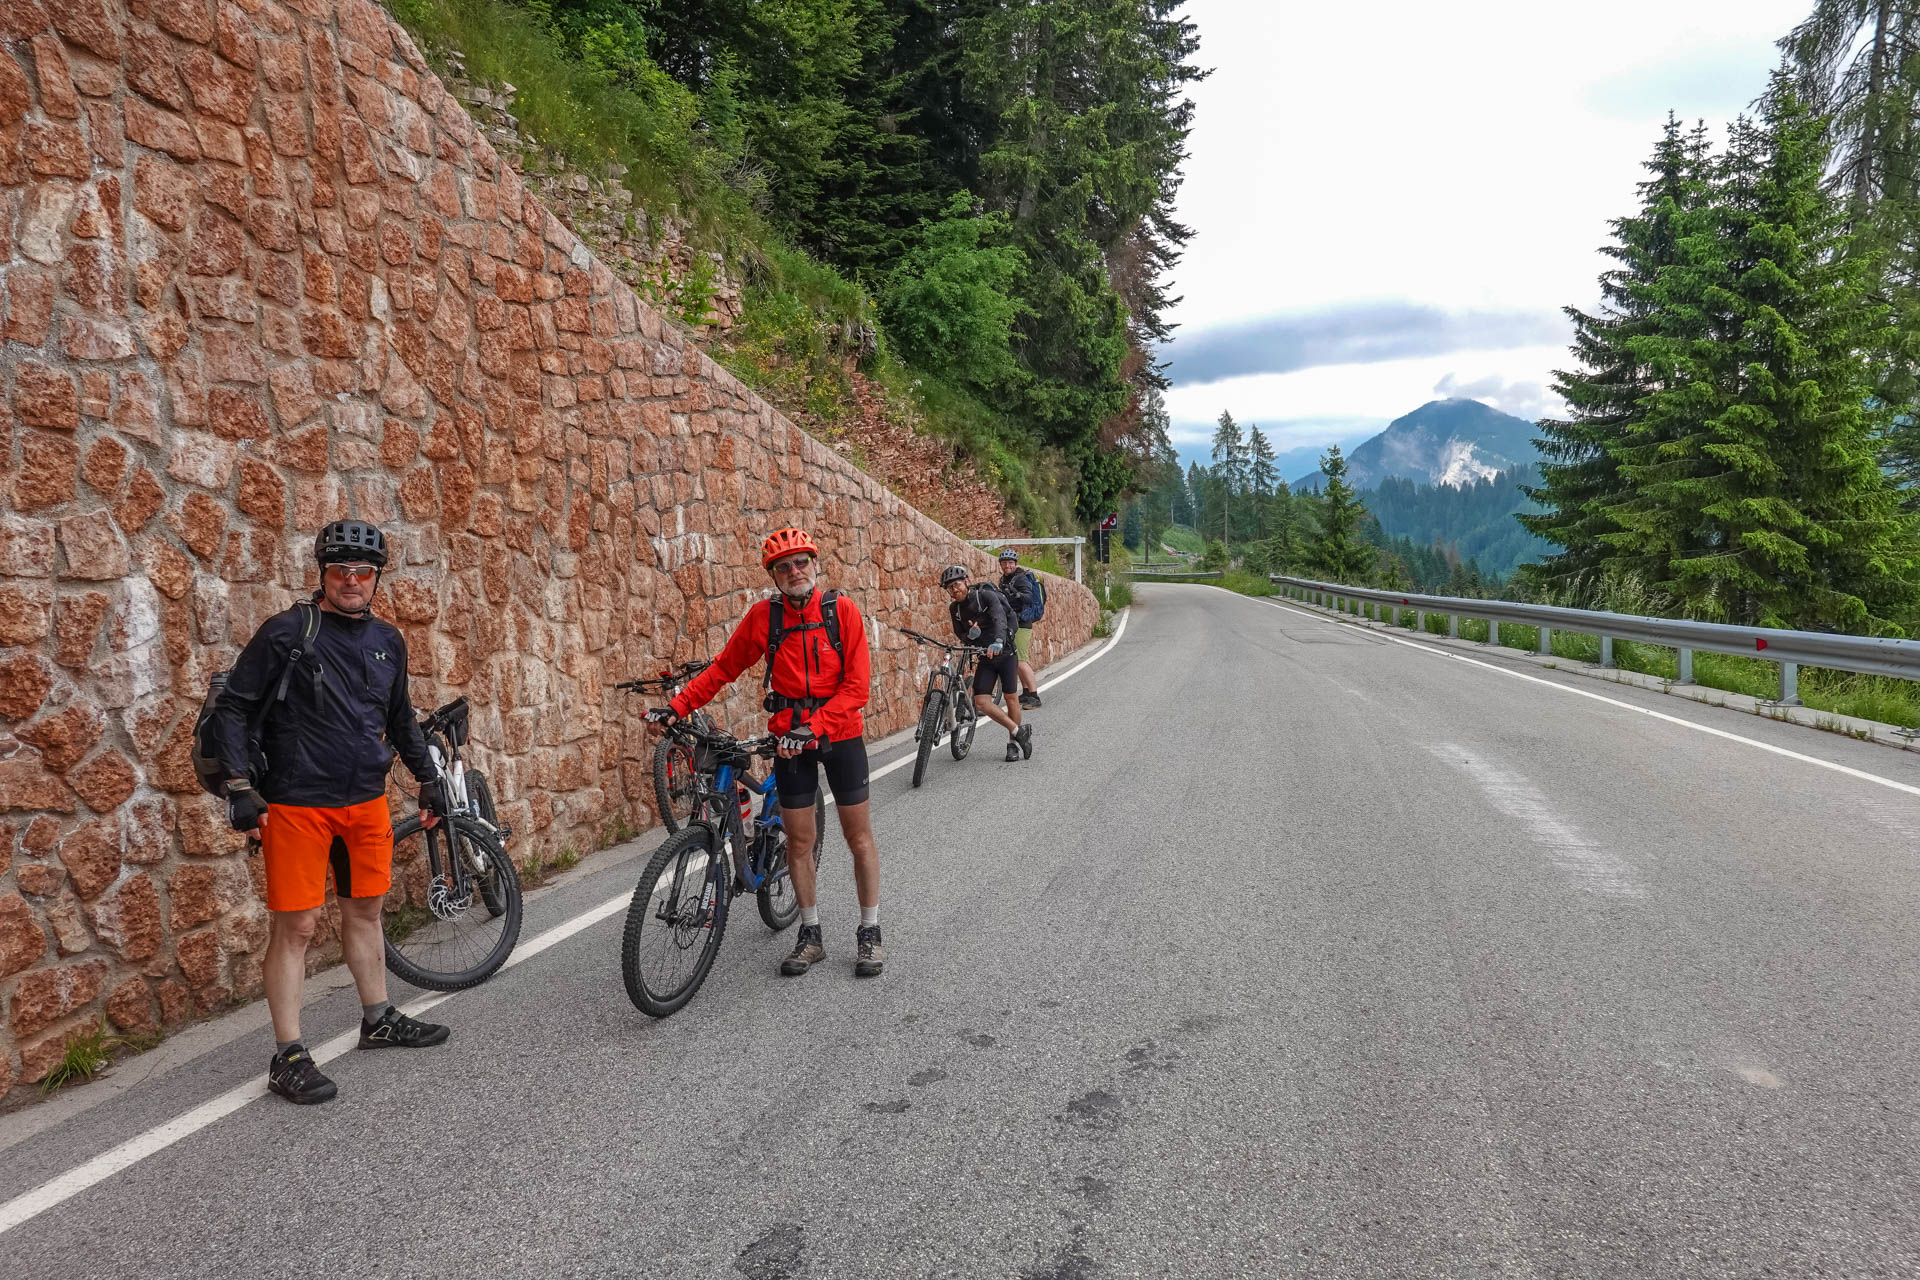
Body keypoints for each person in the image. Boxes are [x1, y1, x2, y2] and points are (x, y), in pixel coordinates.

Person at [209, 520, 450, 1106]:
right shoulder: (288, 631)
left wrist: (429, 779)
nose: (351, 580)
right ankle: (287, 1055)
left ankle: (378, 1018)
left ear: (376, 578)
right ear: (323, 574)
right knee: (296, 927)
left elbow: (400, 718)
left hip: (364, 800)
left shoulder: (388, 641)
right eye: (340, 570)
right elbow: (233, 708)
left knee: (365, 913)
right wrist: (239, 785)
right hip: (298, 804)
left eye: (363, 571)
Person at [646, 529, 885, 978]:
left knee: (859, 838)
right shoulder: (765, 617)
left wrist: (813, 727)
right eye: (783, 567)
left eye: (801, 562)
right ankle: (810, 934)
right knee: (799, 841)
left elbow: (857, 688)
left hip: (840, 736)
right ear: (774, 576)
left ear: (815, 564)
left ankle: (869, 931)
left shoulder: (841, 611)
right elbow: (724, 668)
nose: (794, 571)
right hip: (788, 742)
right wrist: (677, 706)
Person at [942, 565, 1033, 763]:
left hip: (1005, 651)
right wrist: (971, 636)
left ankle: (1012, 744)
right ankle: (1018, 731)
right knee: (981, 702)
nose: (954, 589)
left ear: (966, 581)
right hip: (985, 655)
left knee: (1010, 698)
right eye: (949, 588)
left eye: (957, 584)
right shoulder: (955, 609)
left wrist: (998, 641)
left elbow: (1000, 619)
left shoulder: (985, 596)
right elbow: (960, 634)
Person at [996, 548, 1044, 709]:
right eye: (1004, 563)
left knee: (1021, 660)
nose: (1007, 566)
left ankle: (1034, 696)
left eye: (1010, 563)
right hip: (1012, 623)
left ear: (1015, 564)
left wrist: (1017, 594)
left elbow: (1029, 598)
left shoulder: (1020, 578)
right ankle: (1026, 692)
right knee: (1016, 660)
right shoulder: (1004, 579)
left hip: (1022, 624)